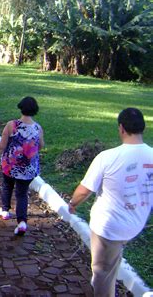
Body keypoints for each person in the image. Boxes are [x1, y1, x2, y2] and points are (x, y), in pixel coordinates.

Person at [68, 108, 152, 297]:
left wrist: (73, 203)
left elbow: (84, 190)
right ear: (142, 128)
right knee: (112, 257)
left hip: (109, 228)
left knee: (102, 272)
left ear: (121, 128)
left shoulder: (107, 157)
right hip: (136, 223)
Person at [0, 96, 44, 236]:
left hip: (10, 166)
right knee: (22, 194)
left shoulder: (11, 125)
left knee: (7, 186)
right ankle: (22, 222)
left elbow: (1, 146)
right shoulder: (38, 128)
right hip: (28, 168)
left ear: (21, 108)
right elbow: (40, 146)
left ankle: (5, 210)